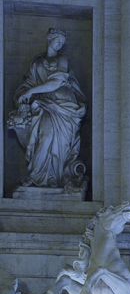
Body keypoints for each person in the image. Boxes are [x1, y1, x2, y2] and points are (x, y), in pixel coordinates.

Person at [7, 28, 86, 188]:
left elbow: (56, 83)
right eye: (57, 40)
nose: (59, 44)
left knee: (59, 143)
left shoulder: (62, 59)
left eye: (62, 43)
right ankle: (38, 176)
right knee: (46, 135)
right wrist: (23, 94)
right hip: (44, 106)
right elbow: (28, 83)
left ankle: (54, 179)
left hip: (64, 107)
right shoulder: (36, 63)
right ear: (49, 38)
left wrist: (31, 91)